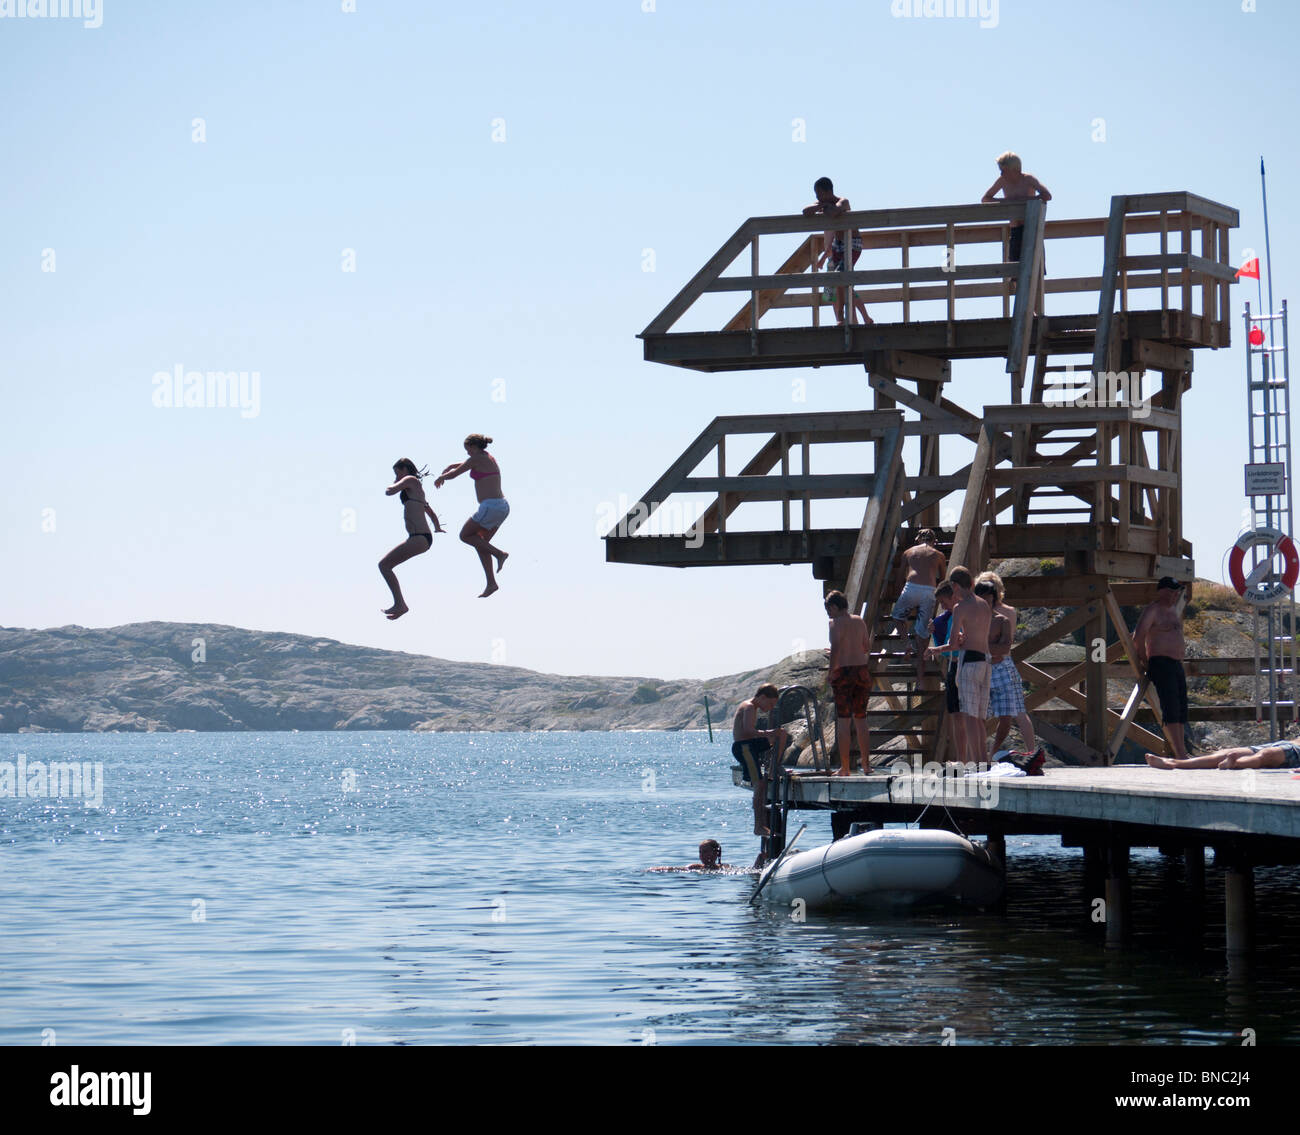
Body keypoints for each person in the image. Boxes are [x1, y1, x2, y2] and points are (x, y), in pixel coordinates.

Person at [434, 433, 510, 598]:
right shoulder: (485, 457)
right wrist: (451, 465)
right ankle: (491, 583)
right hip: (500, 506)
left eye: (468, 450)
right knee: (481, 543)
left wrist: (442, 476)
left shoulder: (476, 459)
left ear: (474, 447)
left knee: (465, 535)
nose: (467, 453)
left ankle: (499, 554)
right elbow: (466, 464)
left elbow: (455, 474)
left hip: (491, 506)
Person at [978, 570, 1037, 755]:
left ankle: (982, 754)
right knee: (1017, 712)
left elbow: (1003, 643)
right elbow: (1006, 643)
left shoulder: (981, 612)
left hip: (988, 664)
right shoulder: (1009, 612)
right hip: (1003, 663)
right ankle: (1031, 752)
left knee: (979, 714)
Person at [802, 176, 873, 327]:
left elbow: (835, 212)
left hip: (852, 243)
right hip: (838, 245)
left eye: (819, 194)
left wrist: (825, 206)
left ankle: (845, 316)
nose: (817, 197)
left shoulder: (843, 201)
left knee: (840, 276)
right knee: (835, 281)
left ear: (828, 192)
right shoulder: (823, 203)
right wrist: (820, 205)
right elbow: (805, 211)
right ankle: (846, 317)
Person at [379, 458, 444, 620]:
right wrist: (436, 527)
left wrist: (394, 484)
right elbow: (429, 510)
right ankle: (400, 604)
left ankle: (400, 604)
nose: (397, 477)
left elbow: (390, 491)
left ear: (405, 470)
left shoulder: (410, 480)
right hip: (421, 538)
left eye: (397, 473)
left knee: (384, 565)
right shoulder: (416, 488)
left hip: (419, 537)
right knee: (385, 565)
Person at [1133, 577, 1189, 762]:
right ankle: (1180, 753)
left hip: (1176, 663)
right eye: (1171, 592)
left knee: (1181, 707)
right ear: (1161, 591)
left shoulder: (1173, 610)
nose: (1174, 595)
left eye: (1176, 592)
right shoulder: (1153, 610)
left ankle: (1181, 751)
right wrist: (1145, 661)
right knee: (1170, 706)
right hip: (1161, 662)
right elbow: (1138, 637)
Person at [824, 590, 873, 776]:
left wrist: (831, 672)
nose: (828, 615)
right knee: (861, 719)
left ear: (834, 607)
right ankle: (866, 766)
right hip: (861, 671)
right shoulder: (859, 620)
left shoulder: (834, 623)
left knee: (844, 721)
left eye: (828, 610)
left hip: (843, 673)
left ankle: (845, 768)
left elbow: (836, 648)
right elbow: (865, 647)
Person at [948, 566, 992, 765]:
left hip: (969, 661)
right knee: (980, 717)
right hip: (985, 661)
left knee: (969, 717)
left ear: (955, 586)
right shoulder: (984, 604)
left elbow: (952, 644)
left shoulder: (960, 607)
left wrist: (938, 648)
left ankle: (976, 763)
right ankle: (983, 761)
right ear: (972, 583)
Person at [886, 529, 947, 675]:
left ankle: (907, 643)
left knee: (897, 616)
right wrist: (940, 602)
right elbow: (943, 580)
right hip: (930, 590)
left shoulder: (908, 552)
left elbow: (900, 577)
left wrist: (898, 596)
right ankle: (920, 681)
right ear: (934, 541)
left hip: (911, 587)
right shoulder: (939, 555)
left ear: (918, 539)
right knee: (922, 637)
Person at [732, 683, 788, 839]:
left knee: (782, 734)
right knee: (760, 785)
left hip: (749, 745)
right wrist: (769, 732)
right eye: (770, 704)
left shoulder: (751, 706)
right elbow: (748, 730)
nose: (770, 708)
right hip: (744, 748)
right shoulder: (749, 707)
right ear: (762, 697)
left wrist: (772, 735)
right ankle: (758, 826)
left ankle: (773, 768)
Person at [981, 151, 1051, 262]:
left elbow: (1047, 195)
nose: (1001, 174)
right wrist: (1007, 201)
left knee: (1035, 264)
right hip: (1015, 230)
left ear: (1012, 169)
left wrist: (1025, 200)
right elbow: (985, 199)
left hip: (1031, 228)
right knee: (1014, 266)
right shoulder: (1002, 181)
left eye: (1003, 170)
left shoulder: (1028, 179)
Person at [924, 581, 963, 760]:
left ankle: (966, 759)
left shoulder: (960, 615)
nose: (943, 607)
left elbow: (953, 646)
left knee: (963, 717)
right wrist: (935, 632)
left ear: (953, 596)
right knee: (955, 715)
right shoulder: (949, 618)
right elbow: (948, 647)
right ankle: (962, 759)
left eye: (944, 602)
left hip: (963, 666)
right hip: (953, 666)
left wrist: (935, 650)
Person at [1145, 740, 1300, 771]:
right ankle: (1174, 762)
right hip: (1287, 743)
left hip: (1296, 752)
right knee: (1224, 754)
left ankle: (1235, 763)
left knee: (1267, 755)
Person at [648, 839, 733, 872]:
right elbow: (675, 868)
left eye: (705, 852)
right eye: (700, 852)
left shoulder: (725, 867)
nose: (702, 855)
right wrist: (655, 869)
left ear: (715, 853)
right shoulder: (695, 867)